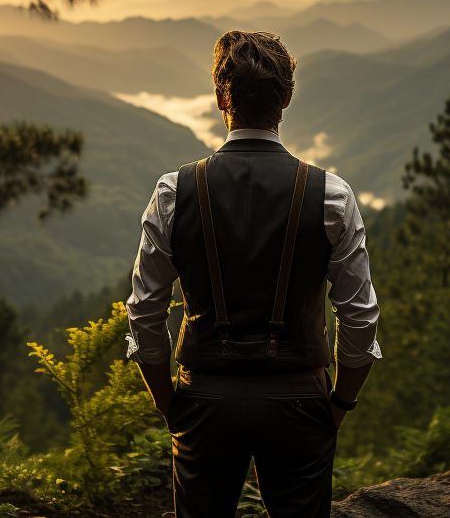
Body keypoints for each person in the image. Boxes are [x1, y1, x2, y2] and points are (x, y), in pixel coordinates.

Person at [124, 30, 381, 517]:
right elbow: (360, 318)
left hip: (204, 397)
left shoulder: (173, 193)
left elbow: (144, 314)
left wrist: (168, 403)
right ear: (285, 99)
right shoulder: (330, 196)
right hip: (299, 397)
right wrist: (339, 404)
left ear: (222, 96)